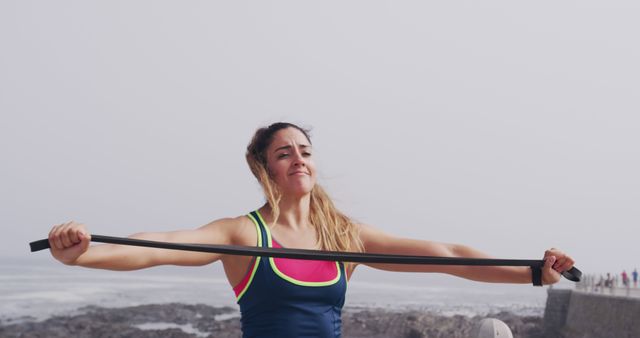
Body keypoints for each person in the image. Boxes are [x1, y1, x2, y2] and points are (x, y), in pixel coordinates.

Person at [47, 122, 575, 338]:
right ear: (266, 169)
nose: (298, 158)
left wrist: (535, 274)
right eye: (285, 153)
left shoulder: (343, 235)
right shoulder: (242, 234)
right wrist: (80, 253)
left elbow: (448, 255)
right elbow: (157, 248)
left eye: (304, 150)